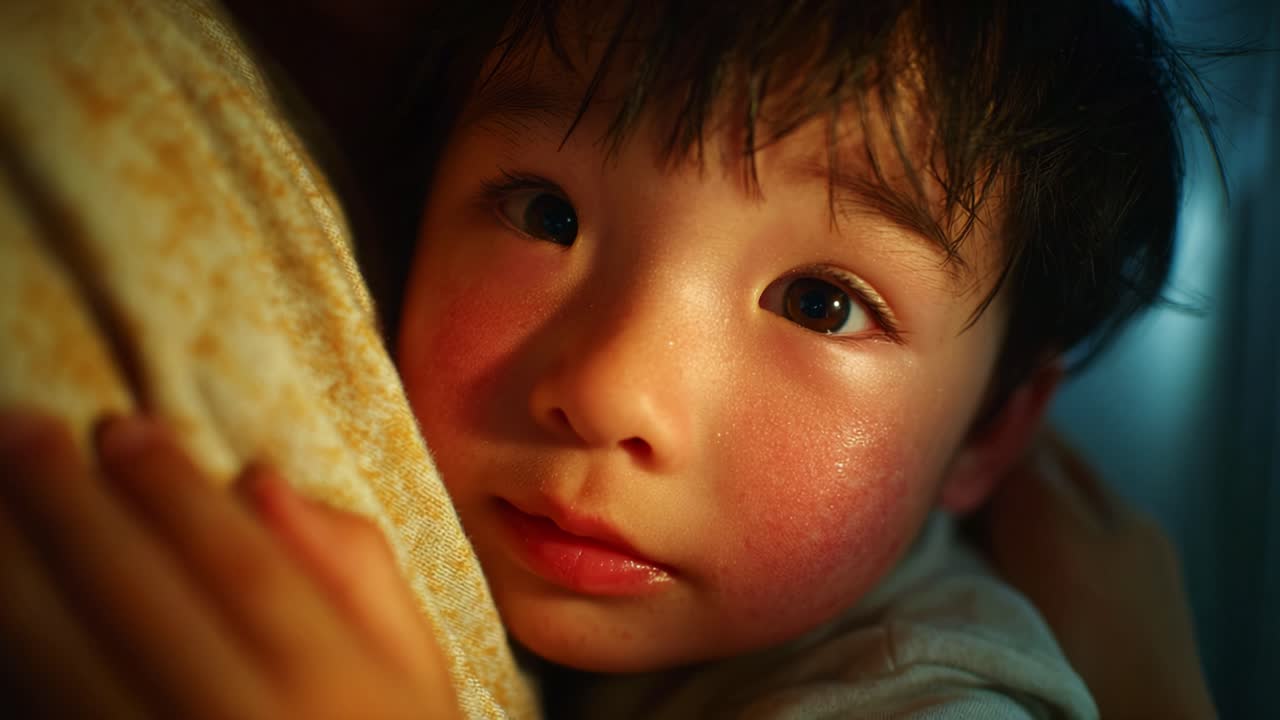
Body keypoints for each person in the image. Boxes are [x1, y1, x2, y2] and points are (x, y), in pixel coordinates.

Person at [0, 0, 1219, 717]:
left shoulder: (931, 691)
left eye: (819, 303)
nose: (608, 390)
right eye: (544, 214)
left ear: (991, 435)